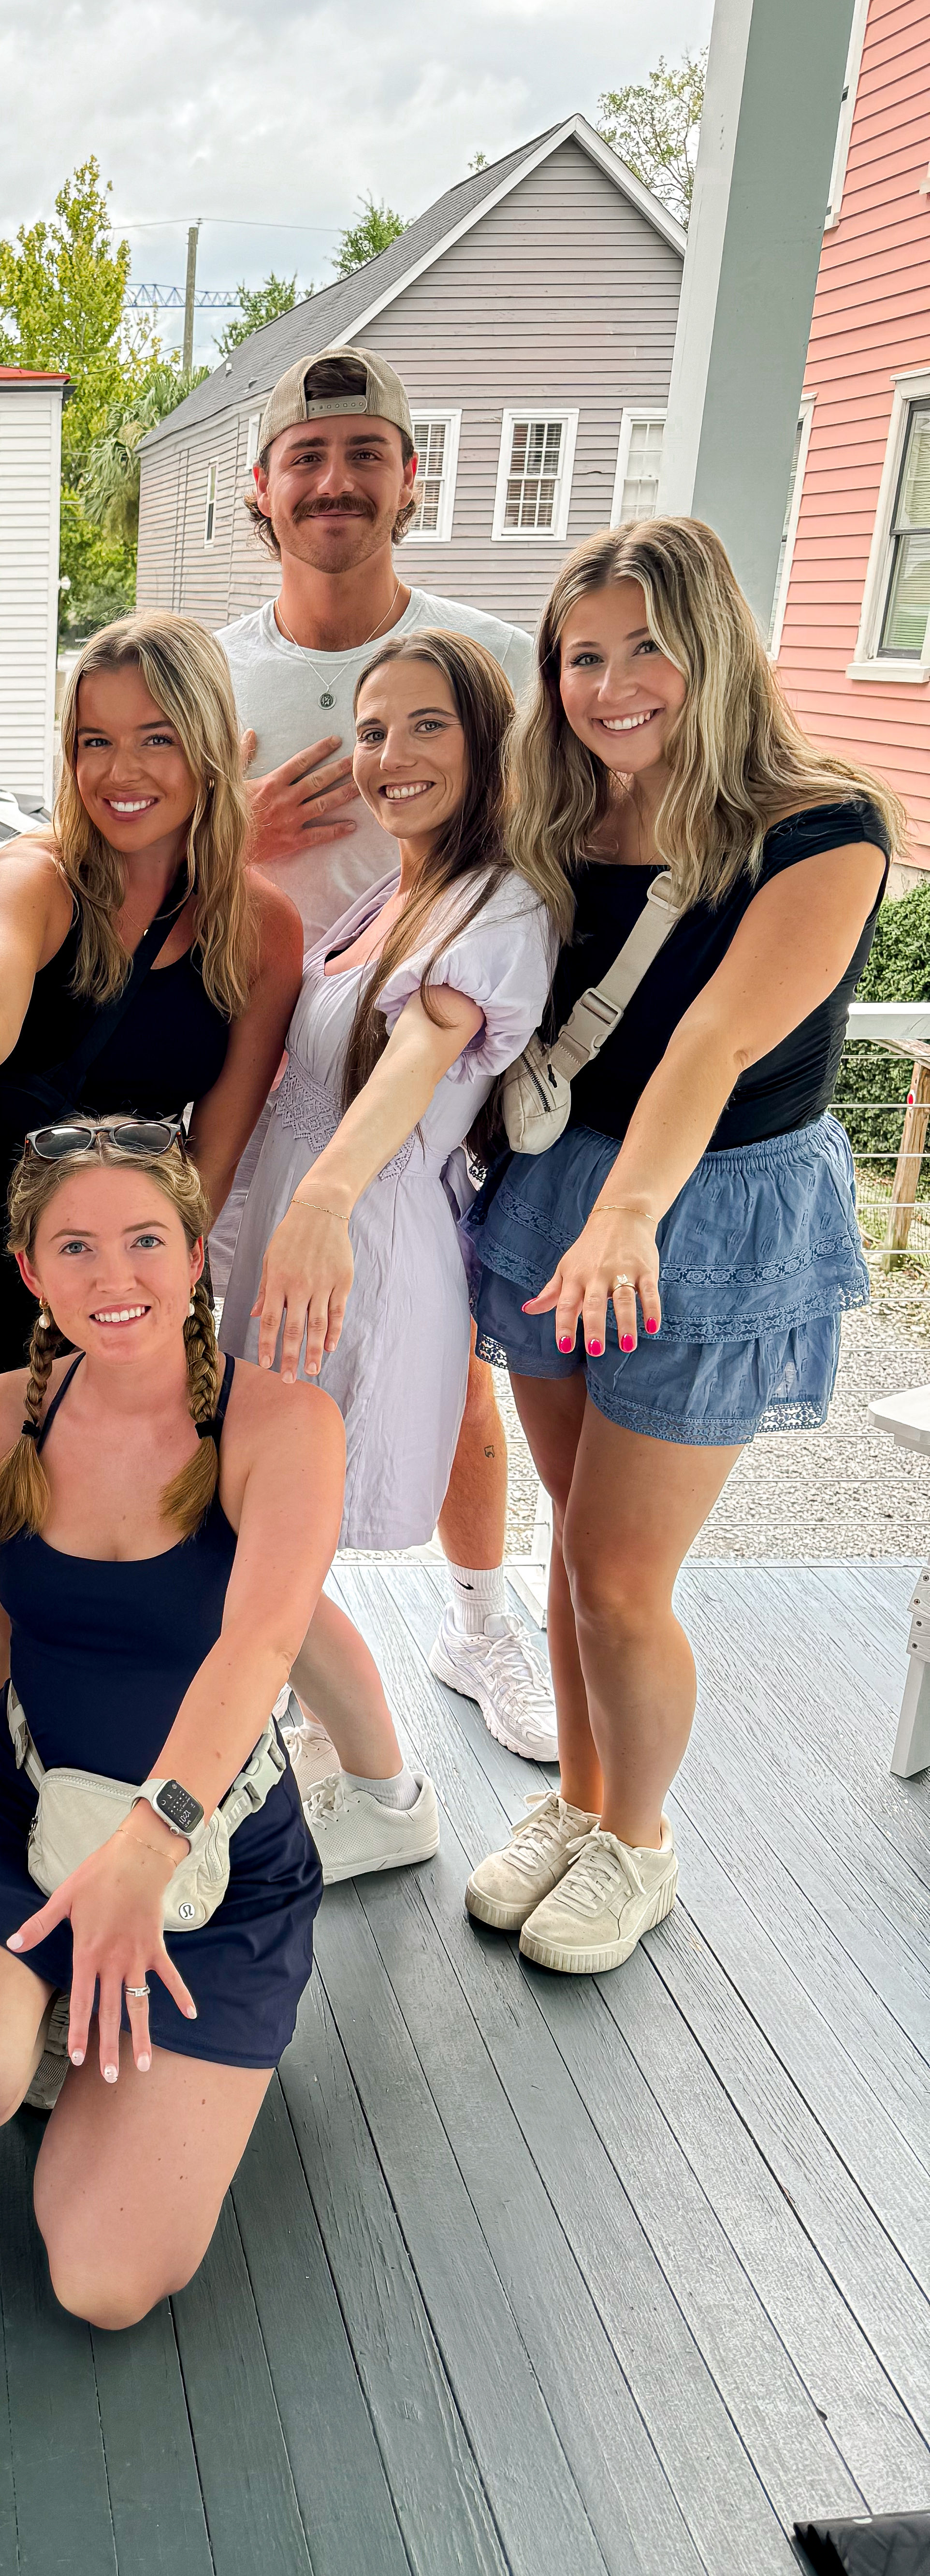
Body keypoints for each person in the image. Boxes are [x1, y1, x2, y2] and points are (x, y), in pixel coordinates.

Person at [462, 517, 895, 1974]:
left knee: (619, 1576)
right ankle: (582, 1806)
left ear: (713, 643)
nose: (612, 682)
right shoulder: (560, 814)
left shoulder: (821, 830)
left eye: (645, 643)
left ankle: (639, 1844)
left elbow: (711, 1045)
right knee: (570, 1547)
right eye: (581, 656)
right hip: (554, 1192)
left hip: (703, 1212)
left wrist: (629, 1217)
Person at [0, 1123, 337, 2330]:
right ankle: (51, 2010)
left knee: (105, 2284)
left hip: (210, 1859)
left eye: (143, 1242)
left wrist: (150, 1847)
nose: (113, 1279)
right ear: (29, 1271)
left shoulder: (283, 1428)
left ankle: (136, 2048)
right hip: (19, 1808)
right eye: (76, 1246)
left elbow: (260, 1646)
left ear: (193, 1258)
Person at [206, 344, 555, 1766]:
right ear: (261, 489)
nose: (334, 482)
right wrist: (238, 839)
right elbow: (114, 838)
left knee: (444, 1366)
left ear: (409, 478)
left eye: (364, 456)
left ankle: (481, 1623)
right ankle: (289, 1651)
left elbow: (552, 854)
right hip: (251, 1056)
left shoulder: (494, 660)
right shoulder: (213, 666)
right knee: (256, 1375)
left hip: (423, 1090)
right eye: (307, 458)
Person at [225, 632, 556, 1881]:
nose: (389, 755)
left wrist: (319, 1198)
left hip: (354, 1249)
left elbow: (426, 1043)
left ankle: (385, 1786)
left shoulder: (496, 901)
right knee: (280, 1531)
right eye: (372, 729)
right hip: (290, 1242)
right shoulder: (388, 892)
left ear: (484, 746)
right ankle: (329, 1749)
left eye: (427, 727)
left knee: (261, 1536)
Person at [0, 608, 299, 1399]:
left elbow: (214, 1160)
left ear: (210, 746)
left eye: (156, 738)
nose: (121, 772)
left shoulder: (263, 929)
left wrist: (157, 1288)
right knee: (7, 1476)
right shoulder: (38, 876)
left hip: (134, 1259)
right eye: (96, 741)